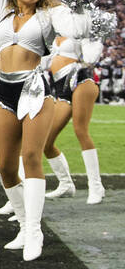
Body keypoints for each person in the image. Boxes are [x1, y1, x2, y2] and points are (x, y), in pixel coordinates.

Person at [0, 0, 73, 262]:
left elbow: (72, 25)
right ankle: (23, 225)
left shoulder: (49, 16)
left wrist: (77, 0)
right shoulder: (4, 15)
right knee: (5, 165)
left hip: (35, 89)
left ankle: (35, 231)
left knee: (31, 157)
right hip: (5, 91)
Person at [41, 13, 106, 205]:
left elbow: (91, 57)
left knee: (80, 130)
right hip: (61, 87)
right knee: (46, 140)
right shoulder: (57, 29)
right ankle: (66, 184)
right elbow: (45, 61)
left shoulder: (82, 25)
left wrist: (90, 30)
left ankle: (96, 186)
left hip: (80, 78)